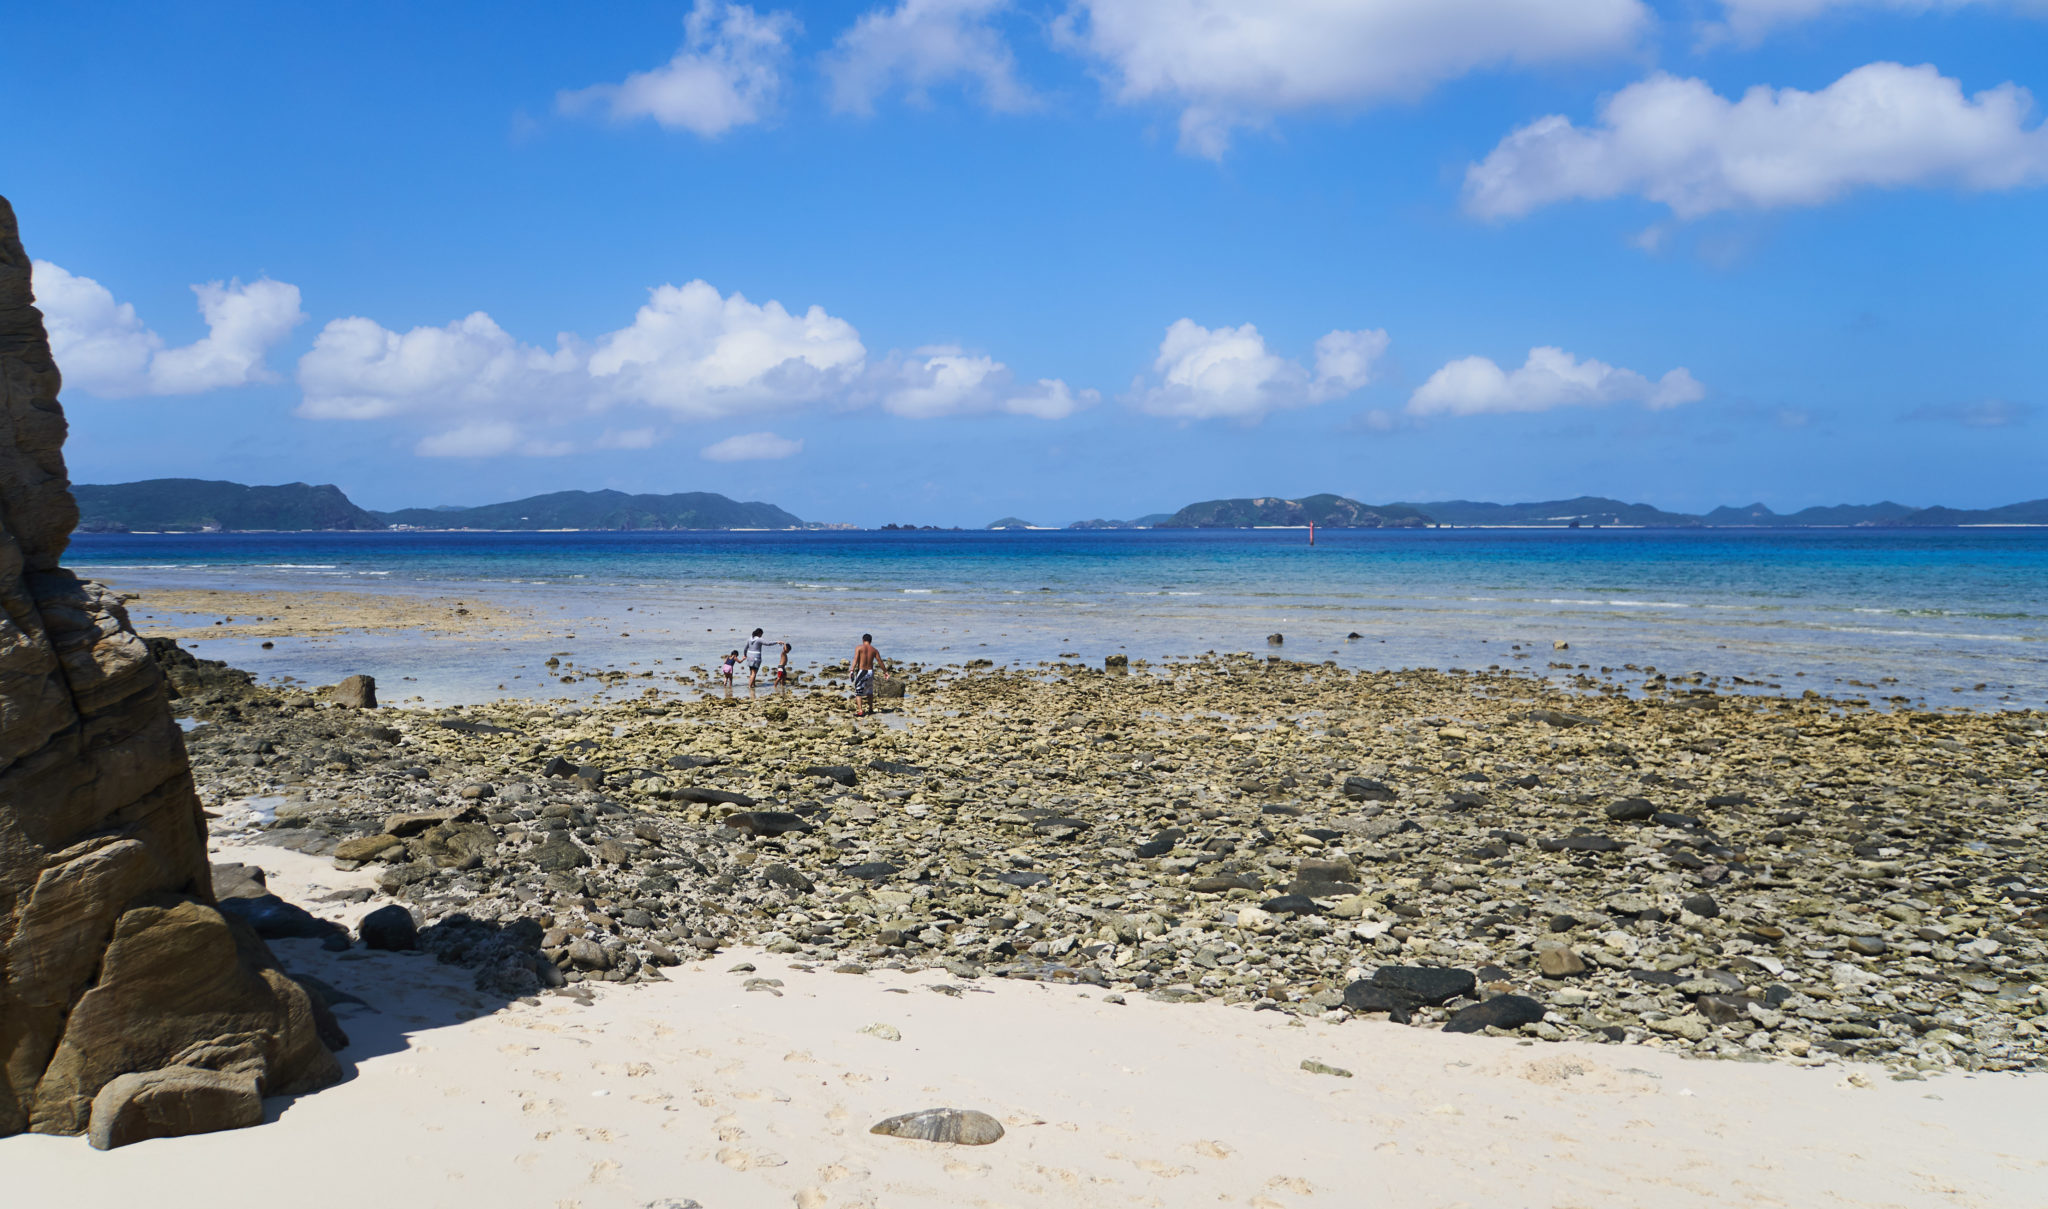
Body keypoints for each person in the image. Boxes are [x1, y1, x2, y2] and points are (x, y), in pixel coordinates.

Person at [850, 632, 885, 717]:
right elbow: (880, 661)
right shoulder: (874, 650)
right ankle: (870, 709)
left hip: (862, 671)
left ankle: (860, 711)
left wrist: (852, 670)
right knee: (869, 691)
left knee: (858, 692)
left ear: (863, 640)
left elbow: (855, 659)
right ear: (870, 641)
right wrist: (885, 671)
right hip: (870, 672)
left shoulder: (859, 648)